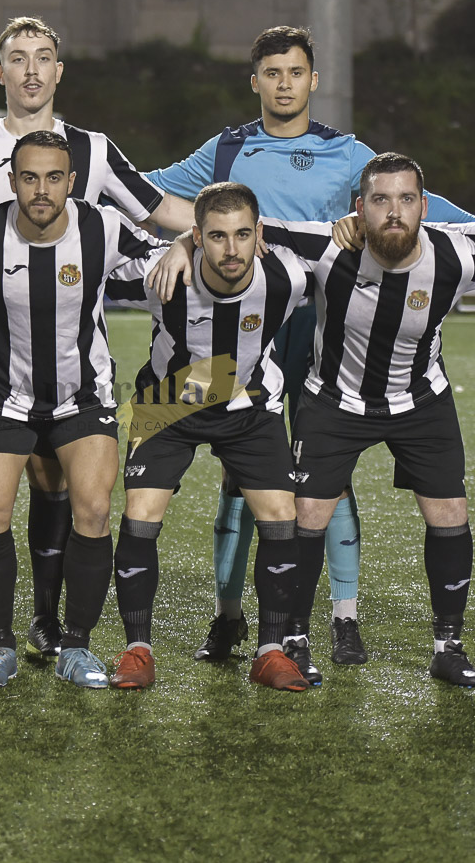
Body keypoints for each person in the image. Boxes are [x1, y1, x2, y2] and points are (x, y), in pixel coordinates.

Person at [144, 26, 475, 665]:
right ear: (255, 82)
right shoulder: (227, 149)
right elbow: (151, 193)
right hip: (241, 329)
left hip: (322, 331)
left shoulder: (347, 153)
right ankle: (229, 617)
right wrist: (184, 238)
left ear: (313, 80)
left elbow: (414, 205)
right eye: (272, 73)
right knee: (241, 473)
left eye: (295, 72)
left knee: (327, 474)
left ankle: (343, 618)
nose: (284, 84)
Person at [0, 15, 193, 662]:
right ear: (1, 72)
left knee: (58, 487)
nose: (31, 70)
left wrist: (221, 227)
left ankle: (49, 622)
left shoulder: (93, 150)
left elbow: (157, 210)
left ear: (58, 71)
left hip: (73, 360)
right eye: (18, 58)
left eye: (42, 57)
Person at [253, 152, 475, 687]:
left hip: (421, 402)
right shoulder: (328, 246)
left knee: (450, 514)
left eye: (406, 199)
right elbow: (243, 226)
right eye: (380, 200)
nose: (394, 212)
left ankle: (448, 646)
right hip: (334, 401)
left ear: (424, 206)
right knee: (306, 517)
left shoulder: (456, 255)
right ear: (360, 208)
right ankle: (295, 640)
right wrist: (186, 240)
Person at [0, 130, 162, 689]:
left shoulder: (104, 227)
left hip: (82, 396)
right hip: (3, 395)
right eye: (29, 177)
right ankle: (0, 646)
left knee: (92, 510)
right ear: (11, 181)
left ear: (71, 181)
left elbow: (162, 255)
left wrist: (188, 245)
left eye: (53, 178)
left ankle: (76, 646)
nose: (41, 190)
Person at [103, 182, 311, 691]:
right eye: (217, 236)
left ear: (259, 234)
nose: (232, 249)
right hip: (170, 400)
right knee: (140, 514)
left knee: (281, 516)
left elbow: (350, 247)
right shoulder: (161, 276)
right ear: (198, 237)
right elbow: (87, 271)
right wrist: (172, 247)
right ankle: (137, 649)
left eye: (243, 235)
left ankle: (270, 651)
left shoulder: (289, 275)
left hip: (247, 402)